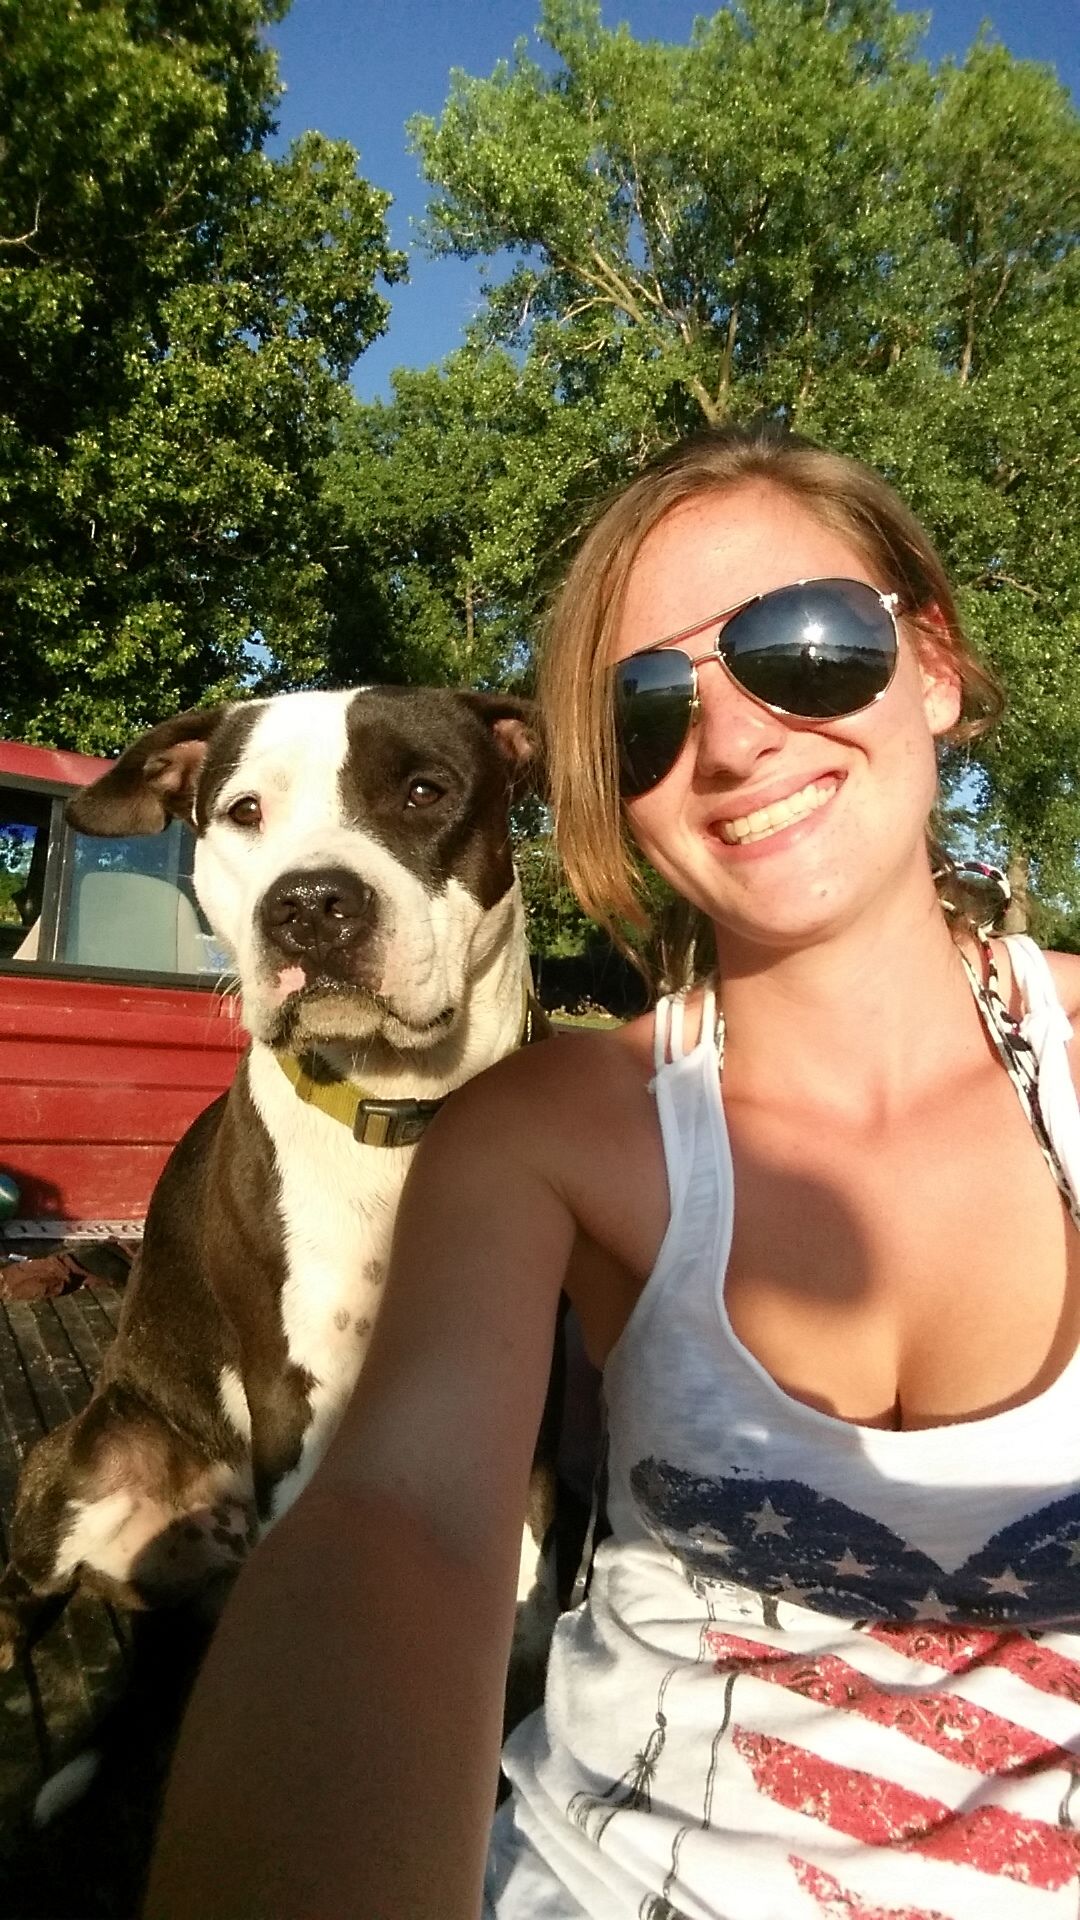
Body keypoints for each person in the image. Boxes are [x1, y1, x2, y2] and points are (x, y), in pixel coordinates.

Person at [147, 424, 1080, 1920]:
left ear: (937, 665)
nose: (733, 743)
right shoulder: (546, 1131)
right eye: (648, 707)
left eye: (809, 645)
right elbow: (400, 1525)